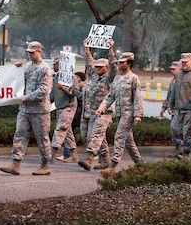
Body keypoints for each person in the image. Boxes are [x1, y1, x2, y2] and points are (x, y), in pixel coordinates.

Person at [0, 41, 53, 176]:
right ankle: (16, 164)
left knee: (42, 138)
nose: (30, 55)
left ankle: (45, 164)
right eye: (28, 52)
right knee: (19, 135)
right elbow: (18, 82)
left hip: (40, 110)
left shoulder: (45, 69)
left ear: (39, 52)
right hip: (25, 109)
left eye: (32, 52)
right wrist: (16, 70)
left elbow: (44, 90)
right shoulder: (27, 67)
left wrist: (27, 97)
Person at [95, 52, 143, 170]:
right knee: (128, 141)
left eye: (122, 62)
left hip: (129, 113)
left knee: (119, 137)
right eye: (119, 62)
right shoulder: (117, 78)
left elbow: (138, 97)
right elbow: (111, 96)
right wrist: (102, 107)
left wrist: (137, 115)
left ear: (129, 63)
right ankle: (140, 163)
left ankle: (113, 165)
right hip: (120, 113)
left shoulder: (133, 78)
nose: (119, 64)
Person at [77, 38, 117, 171]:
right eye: (97, 67)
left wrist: (111, 50)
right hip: (89, 112)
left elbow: (114, 67)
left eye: (100, 67)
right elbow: (89, 63)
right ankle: (105, 159)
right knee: (88, 136)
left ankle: (89, 159)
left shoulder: (109, 78)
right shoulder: (94, 75)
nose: (97, 68)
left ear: (106, 68)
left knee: (96, 136)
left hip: (103, 113)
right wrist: (87, 48)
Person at [168, 52, 191, 159]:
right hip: (179, 109)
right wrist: (171, 104)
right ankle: (190, 152)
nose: (183, 64)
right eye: (182, 62)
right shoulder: (180, 74)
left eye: (186, 62)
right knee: (175, 130)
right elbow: (174, 91)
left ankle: (188, 155)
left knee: (187, 134)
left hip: (190, 111)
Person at [50, 57, 79, 164]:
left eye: (55, 64)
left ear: (61, 65)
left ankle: (51, 155)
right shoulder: (56, 77)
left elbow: (76, 93)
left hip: (68, 107)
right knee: (67, 132)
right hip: (60, 107)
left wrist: (64, 88)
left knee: (60, 130)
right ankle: (74, 155)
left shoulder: (71, 77)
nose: (53, 67)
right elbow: (52, 94)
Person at [160, 61, 183, 156]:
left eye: (174, 69)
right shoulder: (174, 81)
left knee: (177, 129)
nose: (171, 71)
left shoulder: (182, 80)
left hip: (181, 109)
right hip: (174, 109)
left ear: (180, 69)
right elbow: (169, 96)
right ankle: (178, 148)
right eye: (171, 69)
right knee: (173, 129)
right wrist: (163, 108)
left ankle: (182, 149)